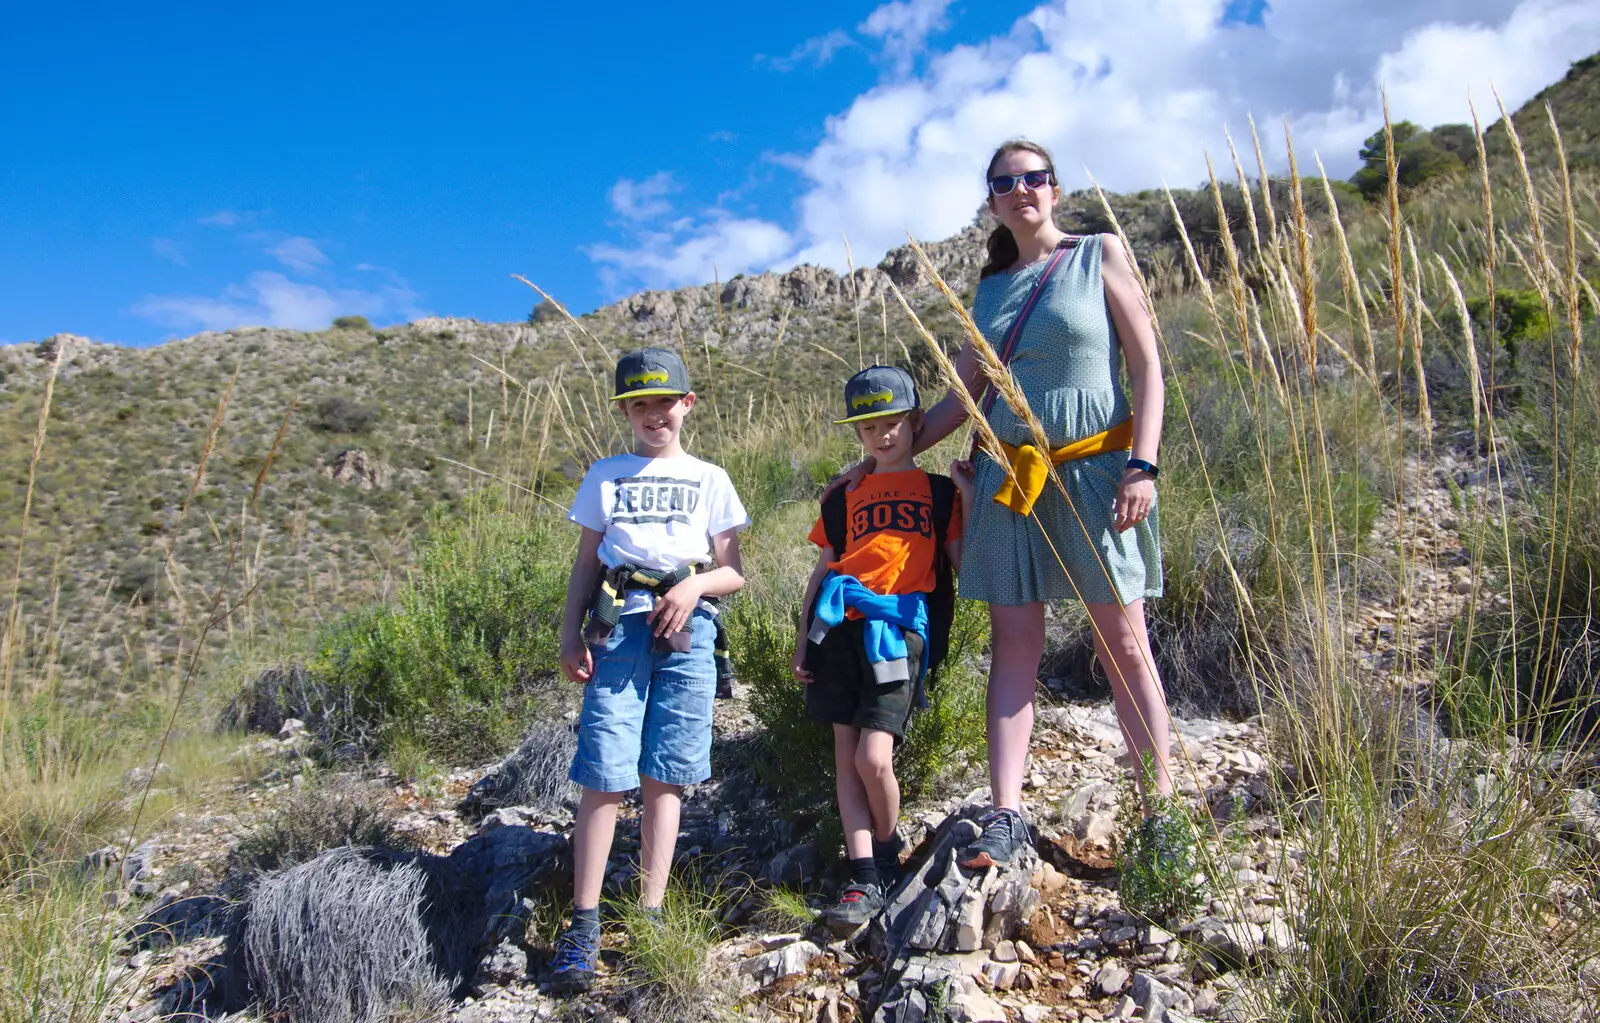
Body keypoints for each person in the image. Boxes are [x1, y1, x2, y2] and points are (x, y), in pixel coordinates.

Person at [827, 139, 1170, 870]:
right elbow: (961, 398)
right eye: (1006, 182)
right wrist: (871, 461)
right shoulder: (988, 292)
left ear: (1054, 186)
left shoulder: (1098, 251)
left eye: (1035, 178)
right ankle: (1007, 812)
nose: (1023, 190)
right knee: (1015, 649)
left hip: (1096, 474)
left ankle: (1162, 815)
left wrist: (1142, 464)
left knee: (1126, 646)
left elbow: (1146, 363)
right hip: (1010, 483)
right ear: (992, 200)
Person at [549, 347, 749, 993]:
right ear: (625, 412)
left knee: (667, 770)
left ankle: (651, 911)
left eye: (664, 401)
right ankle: (583, 922)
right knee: (605, 769)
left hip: (688, 627)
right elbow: (586, 562)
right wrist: (568, 631)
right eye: (639, 404)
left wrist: (693, 590)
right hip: (619, 625)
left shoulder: (711, 477)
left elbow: (732, 570)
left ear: (686, 404)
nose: (652, 414)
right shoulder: (605, 474)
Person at [794, 365, 971, 933]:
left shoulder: (939, 493)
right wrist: (803, 642)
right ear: (859, 434)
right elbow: (820, 574)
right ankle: (864, 869)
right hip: (839, 630)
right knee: (846, 755)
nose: (883, 435)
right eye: (870, 427)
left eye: (893, 422)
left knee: (874, 756)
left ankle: (889, 847)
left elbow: (960, 567)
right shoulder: (844, 497)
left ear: (917, 422)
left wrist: (969, 496)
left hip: (899, 630)